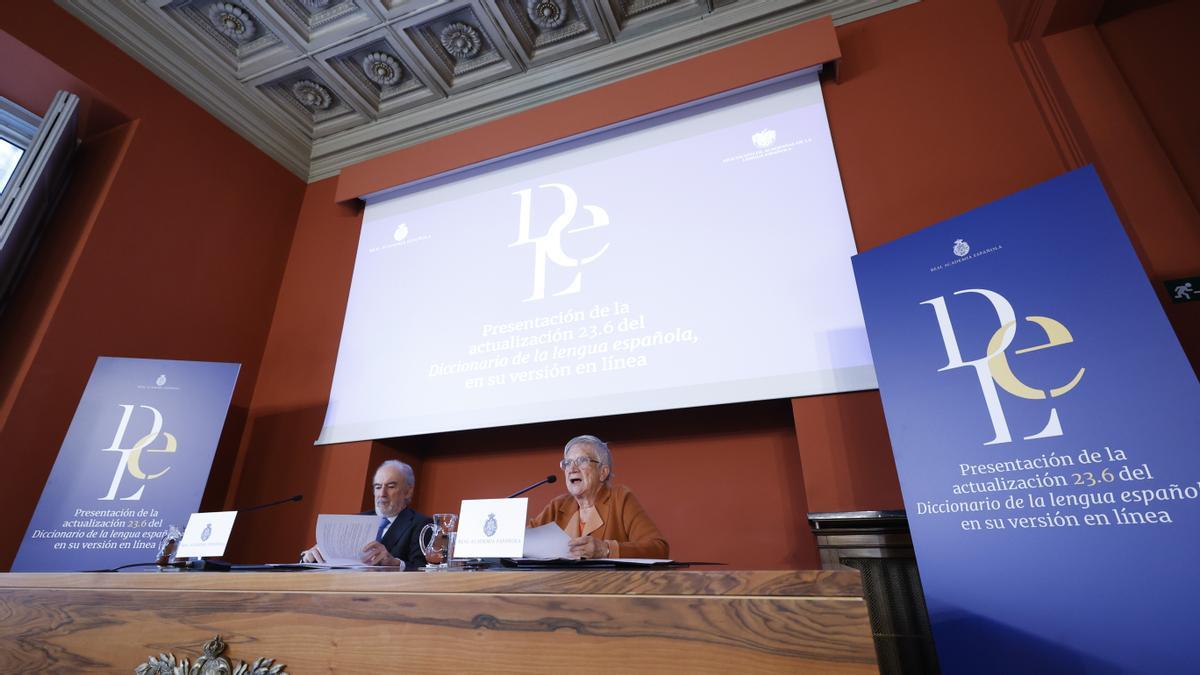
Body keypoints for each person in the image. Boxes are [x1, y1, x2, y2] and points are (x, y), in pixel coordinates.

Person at [528, 435, 669, 559]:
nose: (572, 469)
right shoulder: (558, 506)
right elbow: (524, 541)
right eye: (567, 463)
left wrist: (606, 549)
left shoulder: (620, 499)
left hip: (608, 587)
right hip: (561, 586)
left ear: (603, 472)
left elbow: (659, 548)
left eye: (582, 460)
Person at [300, 459, 432, 569]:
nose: (382, 494)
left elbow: (424, 569)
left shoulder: (422, 524)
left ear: (408, 491)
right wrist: (310, 558)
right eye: (378, 487)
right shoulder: (356, 521)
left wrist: (396, 563)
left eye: (391, 486)